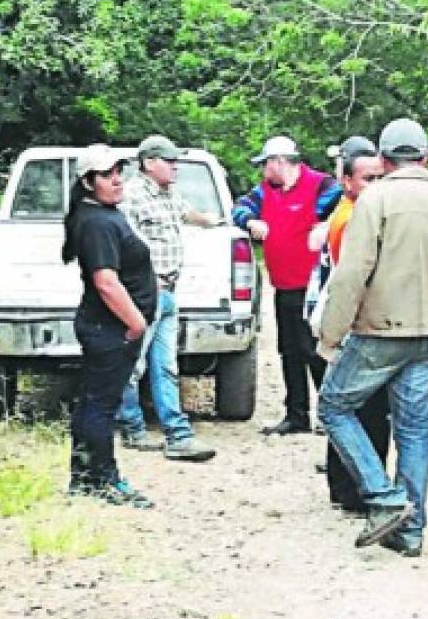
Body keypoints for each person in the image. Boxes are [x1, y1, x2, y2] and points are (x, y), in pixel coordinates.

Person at [318, 118, 428, 556]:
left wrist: (331, 336)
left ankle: (384, 497)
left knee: (333, 405)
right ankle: (411, 532)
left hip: (380, 331)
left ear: (385, 160)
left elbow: (351, 274)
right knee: (413, 428)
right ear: (426, 158)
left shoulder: (376, 201)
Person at [62, 144, 157, 508]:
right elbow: (106, 281)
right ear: (88, 182)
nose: (117, 180)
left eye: (119, 171)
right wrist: (135, 322)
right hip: (110, 328)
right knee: (102, 406)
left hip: (104, 326)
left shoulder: (101, 214)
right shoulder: (98, 222)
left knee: (92, 402)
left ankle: (84, 476)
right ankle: (105, 480)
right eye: (107, 174)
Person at [116, 134, 219, 462]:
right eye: (169, 160)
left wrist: (214, 220)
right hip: (146, 291)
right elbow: (124, 244)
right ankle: (133, 427)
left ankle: (178, 433)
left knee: (166, 366)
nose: (175, 166)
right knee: (134, 364)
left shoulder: (168, 194)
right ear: (148, 162)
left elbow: (188, 213)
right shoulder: (132, 196)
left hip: (168, 291)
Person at [232, 136, 340, 435]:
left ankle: (332, 414)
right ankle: (297, 414)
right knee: (288, 351)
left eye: (266, 164)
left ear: (280, 161)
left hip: (313, 287)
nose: (263, 171)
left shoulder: (321, 184)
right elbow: (239, 208)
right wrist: (251, 220)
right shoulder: (266, 191)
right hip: (283, 285)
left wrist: (321, 220)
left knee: (314, 351)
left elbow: (340, 203)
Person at [314, 137, 387, 514]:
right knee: (359, 407)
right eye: (367, 179)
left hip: (357, 319)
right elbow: (353, 277)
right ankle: (354, 489)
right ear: (345, 181)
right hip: (358, 322)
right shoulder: (350, 218)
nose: (374, 187)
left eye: (379, 178)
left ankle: (345, 485)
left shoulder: (359, 211)